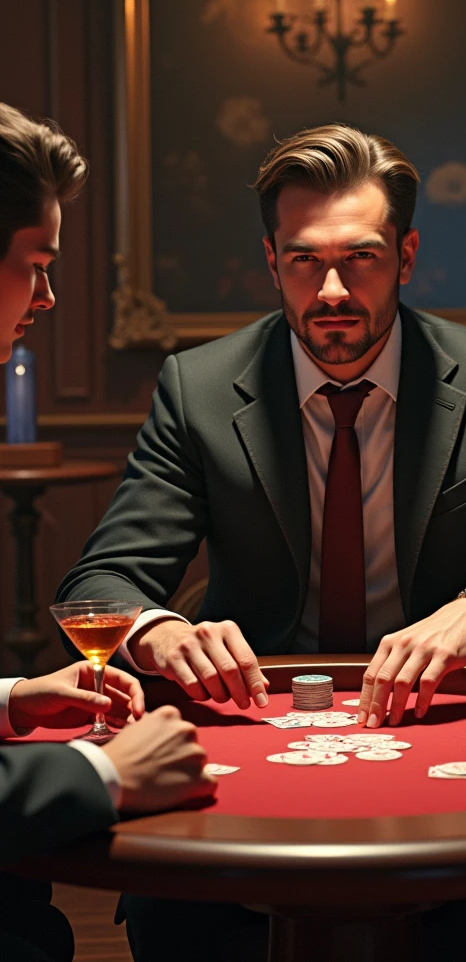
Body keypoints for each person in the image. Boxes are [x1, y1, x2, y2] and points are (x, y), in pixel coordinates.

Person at [55, 123, 466, 960]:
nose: (331, 289)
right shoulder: (197, 388)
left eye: (359, 258)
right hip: (251, 748)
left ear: (405, 256)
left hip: (452, 743)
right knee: (178, 925)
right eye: (303, 260)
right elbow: (104, 579)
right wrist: (159, 630)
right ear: (271, 262)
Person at [0, 101, 215, 962]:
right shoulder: (197, 390)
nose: (49, 296)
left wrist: (11, 701)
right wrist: (105, 773)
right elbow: (103, 574)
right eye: (36, 265)